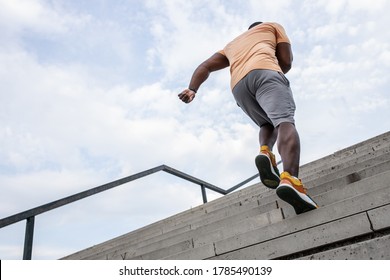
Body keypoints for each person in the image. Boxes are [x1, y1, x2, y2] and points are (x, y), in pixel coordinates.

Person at [178, 22, 318, 215]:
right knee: (284, 121)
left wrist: (192, 89)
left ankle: (265, 151)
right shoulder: (271, 26)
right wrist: (272, 74)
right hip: (265, 72)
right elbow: (286, 61)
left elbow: (205, 66)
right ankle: (291, 180)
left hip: (239, 87)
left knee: (266, 122)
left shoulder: (232, 45)